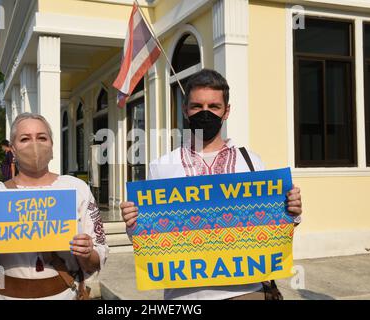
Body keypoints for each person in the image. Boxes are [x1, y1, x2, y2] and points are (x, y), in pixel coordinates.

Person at [120, 69, 302, 300]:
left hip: (247, 291)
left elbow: (274, 228)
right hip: (185, 295)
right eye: (197, 106)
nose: (205, 113)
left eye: (214, 107)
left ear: (226, 111)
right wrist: (133, 222)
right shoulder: (162, 166)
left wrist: (291, 211)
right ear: (185, 110)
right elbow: (144, 238)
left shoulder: (252, 162)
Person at [0, 113, 108, 300]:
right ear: (13, 150)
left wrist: (87, 254)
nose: (35, 144)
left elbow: (97, 259)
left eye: (42, 137)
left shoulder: (76, 190)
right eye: (25, 139)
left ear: (52, 146)